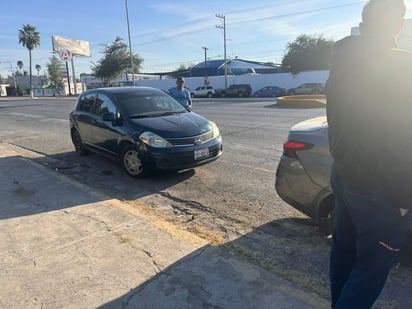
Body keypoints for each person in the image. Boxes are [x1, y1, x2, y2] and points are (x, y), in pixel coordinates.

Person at [326, 0, 412, 307]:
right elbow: (404, 137)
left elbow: (334, 119)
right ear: (398, 24)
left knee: (344, 253)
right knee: (371, 269)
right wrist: (404, 198)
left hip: (344, 174)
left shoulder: (341, 64)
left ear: (364, 24)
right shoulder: (402, 66)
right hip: (380, 188)